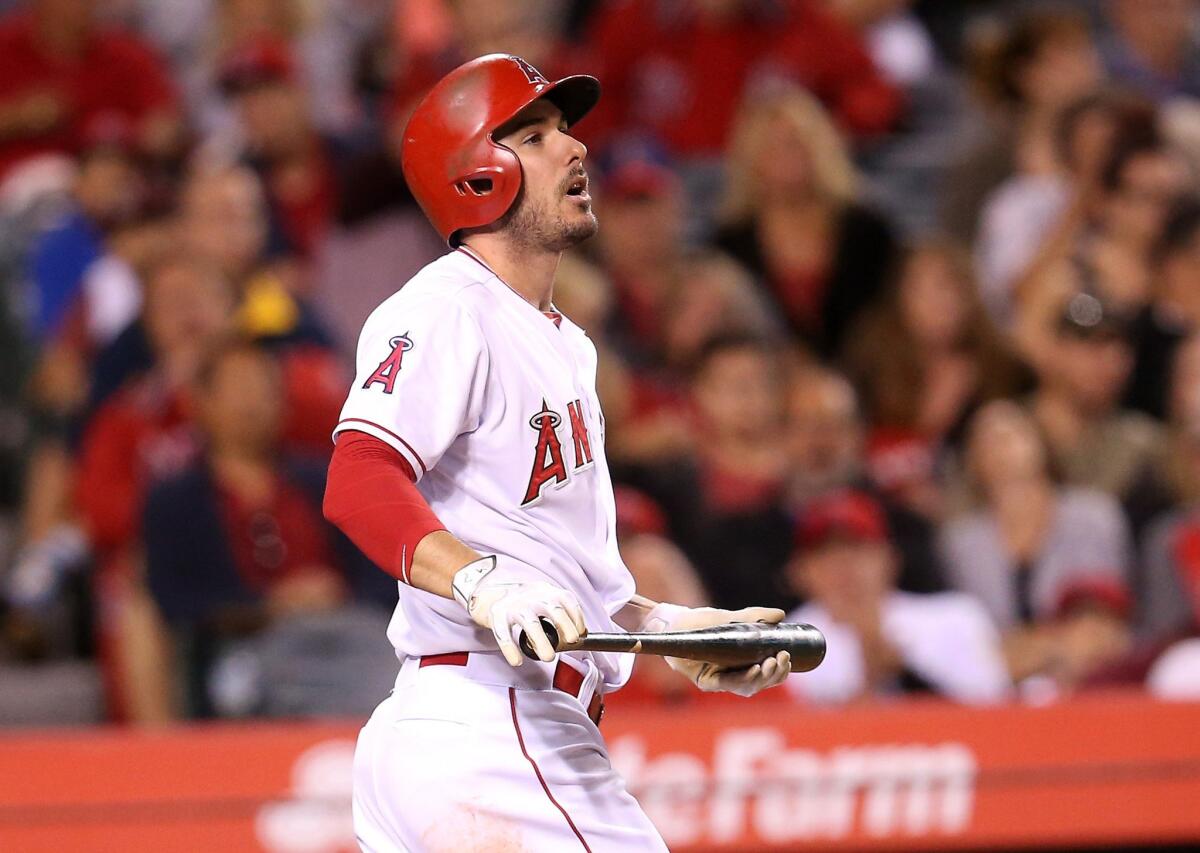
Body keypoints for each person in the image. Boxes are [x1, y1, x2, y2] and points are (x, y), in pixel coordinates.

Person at [321, 54, 793, 851]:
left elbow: (571, 578)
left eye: (565, 131)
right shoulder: (447, 306)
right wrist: (481, 582)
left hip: (485, 724)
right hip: (490, 719)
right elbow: (359, 477)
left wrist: (678, 632)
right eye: (535, 136)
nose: (574, 151)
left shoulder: (566, 346)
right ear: (477, 174)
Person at [785, 490, 1010, 705]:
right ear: (800, 571)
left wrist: (906, 674)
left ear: (890, 558)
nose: (844, 565)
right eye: (826, 553)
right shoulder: (785, 645)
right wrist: (872, 680)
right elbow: (789, 737)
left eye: (857, 547)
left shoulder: (955, 616)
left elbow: (991, 711)